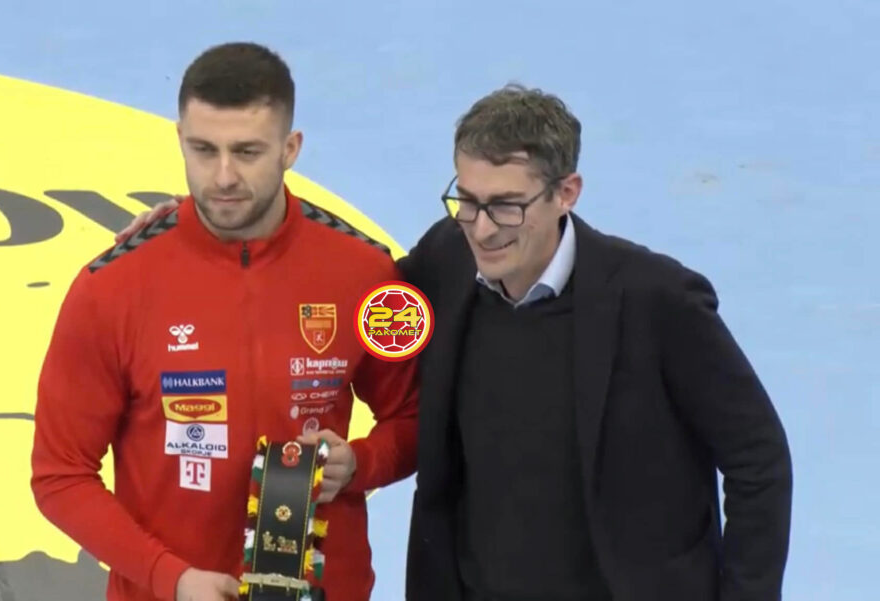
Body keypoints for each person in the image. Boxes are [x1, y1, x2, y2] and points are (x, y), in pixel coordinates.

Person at [119, 85, 793, 600]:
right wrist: (201, 226)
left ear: (566, 193)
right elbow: (342, 273)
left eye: (506, 205)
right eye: (466, 200)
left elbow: (758, 458)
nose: (483, 228)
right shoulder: (446, 262)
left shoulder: (657, 302)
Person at [31, 42, 419, 601]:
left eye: (247, 152)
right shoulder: (110, 288)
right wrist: (170, 577)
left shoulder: (366, 272)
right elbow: (60, 475)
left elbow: (416, 419)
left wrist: (361, 462)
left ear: (290, 148)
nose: (223, 176)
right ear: (179, 139)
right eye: (203, 150)